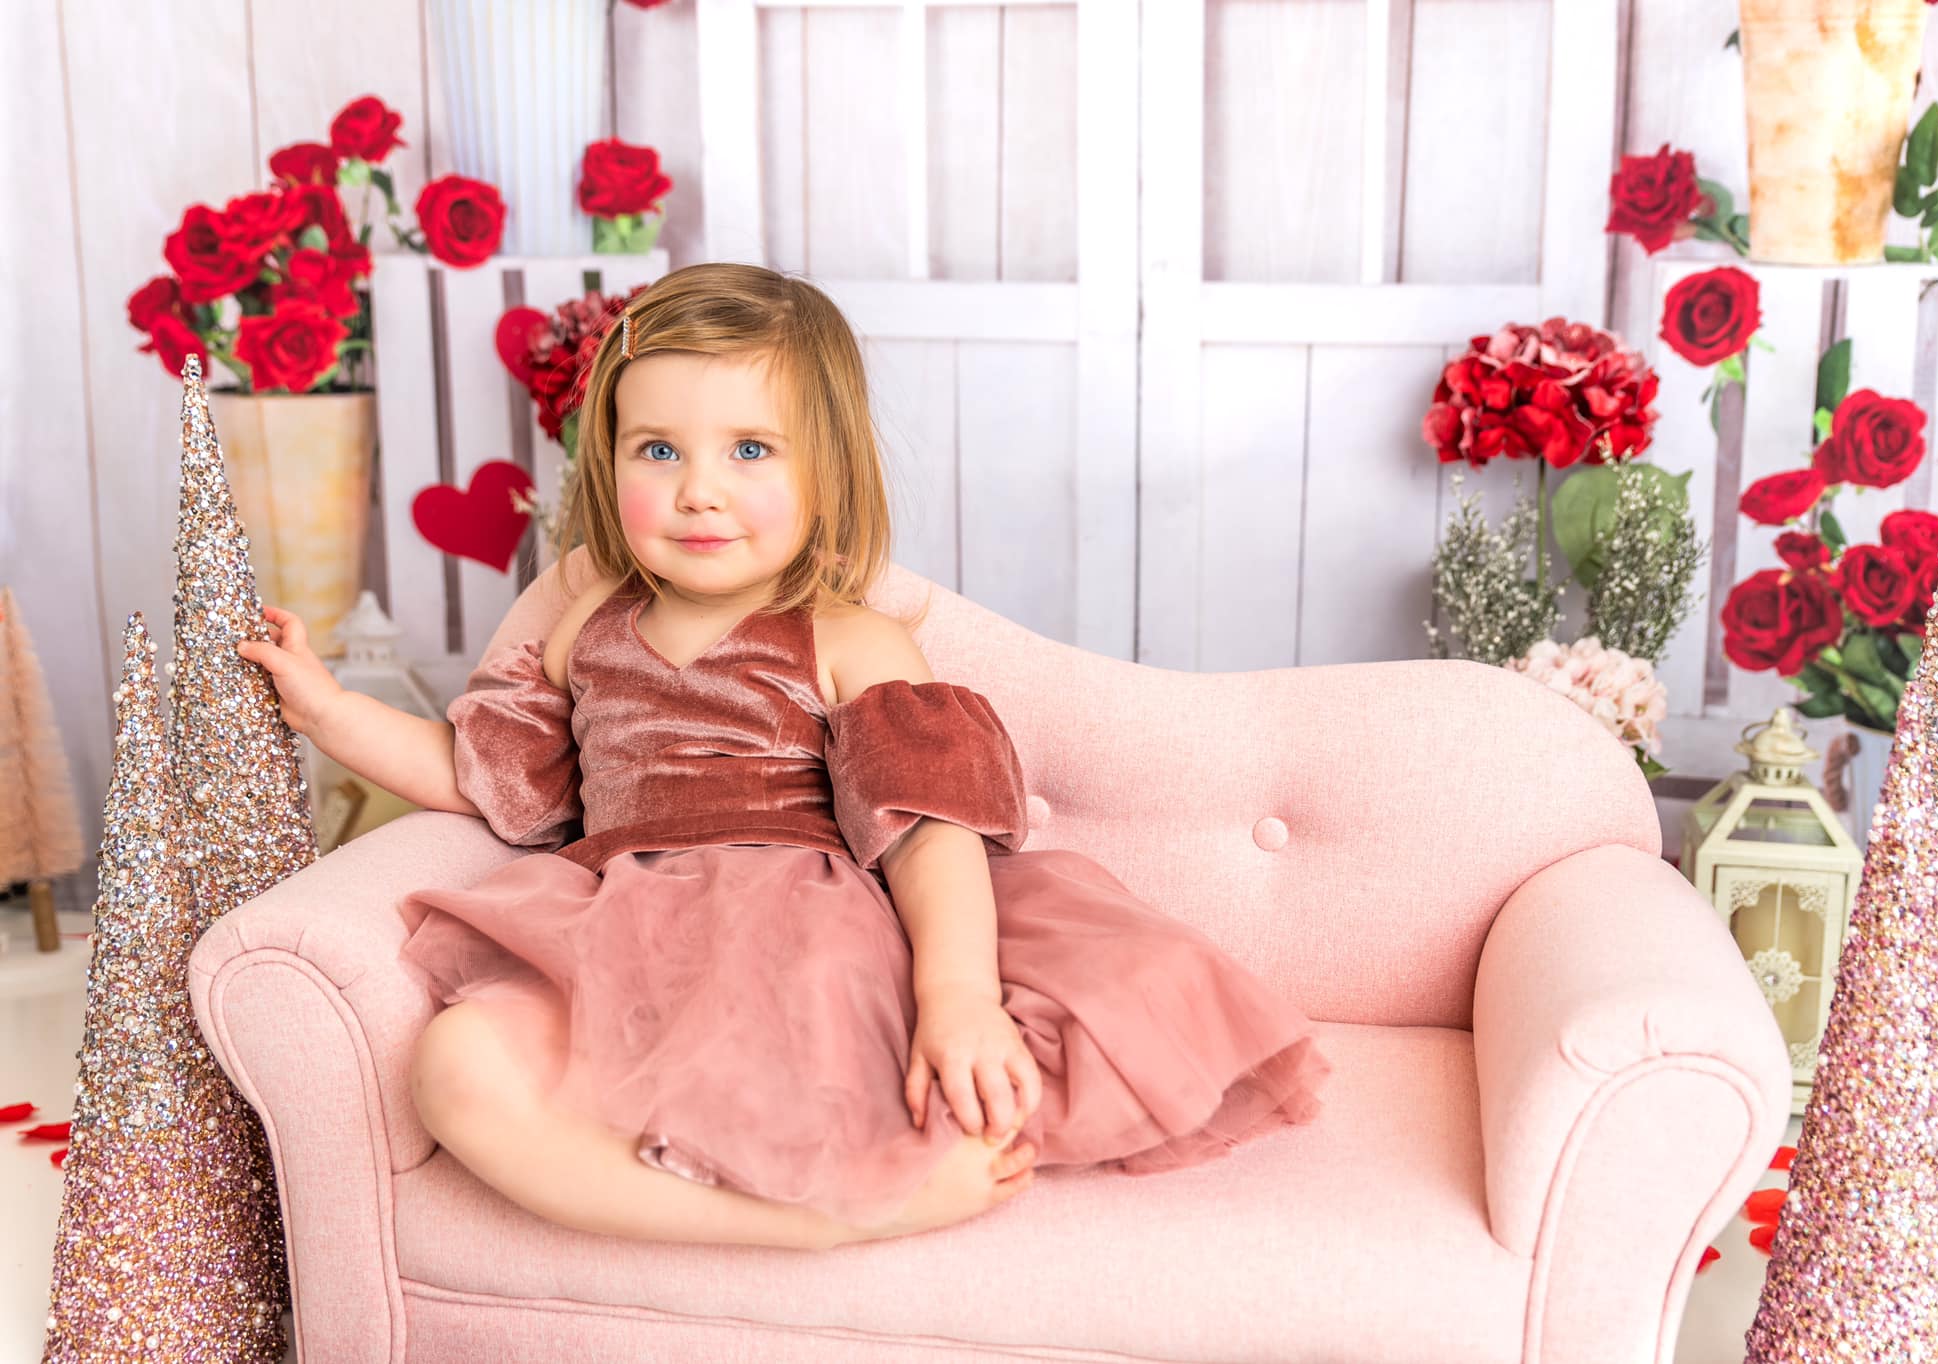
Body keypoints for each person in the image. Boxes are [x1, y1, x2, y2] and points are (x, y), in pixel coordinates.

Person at [237, 261, 1332, 1254]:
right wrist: (327, 707)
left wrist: (955, 993)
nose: (697, 489)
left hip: (800, 920)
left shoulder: (851, 637)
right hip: (613, 923)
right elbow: (486, 783)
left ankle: (832, 1188)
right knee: (453, 1070)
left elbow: (929, 827)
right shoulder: (580, 621)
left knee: (854, 1051)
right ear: (607, 458)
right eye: (655, 449)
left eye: (748, 450)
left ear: (825, 471)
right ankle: (787, 1219)